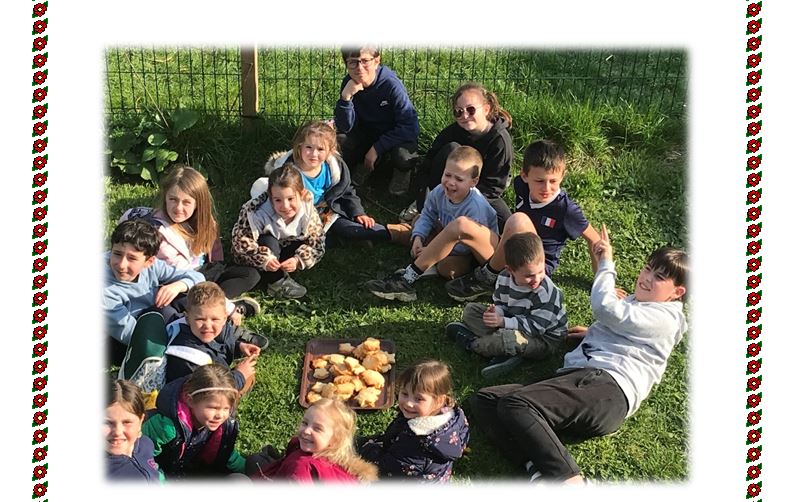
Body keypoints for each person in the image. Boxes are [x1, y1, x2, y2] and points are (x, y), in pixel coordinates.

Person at [468, 228, 688, 483]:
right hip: (582, 378)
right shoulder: (642, 304)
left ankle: (570, 480)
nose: (647, 278)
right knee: (486, 400)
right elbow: (625, 327)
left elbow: (607, 309)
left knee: (517, 404)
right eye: (647, 268)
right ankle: (534, 470)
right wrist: (593, 333)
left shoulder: (666, 317)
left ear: (677, 292)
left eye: (659, 277)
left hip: (608, 387)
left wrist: (606, 263)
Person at [445, 139, 601, 302]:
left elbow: (595, 240)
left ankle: (487, 278)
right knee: (461, 234)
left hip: (535, 268)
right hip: (513, 250)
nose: (546, 188)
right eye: (540, 181)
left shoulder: (566, 209)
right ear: (525, 176)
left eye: (553, 181)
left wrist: (602, 283)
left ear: (562, 176)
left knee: (518, 220)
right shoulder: (521, 186)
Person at [120, 165, 261, 324]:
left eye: (186, 202)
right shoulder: (159, 234)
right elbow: (181, 276)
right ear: (165, 197)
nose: (178, 208)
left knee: (250, 274)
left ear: (198, 204)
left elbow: (214, 253)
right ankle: (216, 307)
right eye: (173, 199)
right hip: (175, 282)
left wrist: (216, 268)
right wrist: (230, 308)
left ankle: (214, 302)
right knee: (172, 306)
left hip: (199, 272)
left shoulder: (205, 222)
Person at [365, 145, 498, 302]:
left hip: (468, 253)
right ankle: (380, 232)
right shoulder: (439, 191)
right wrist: (418, 237)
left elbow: (466, 245)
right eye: (447, 175)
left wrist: (434, 248)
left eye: (459, 179)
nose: (451, 182)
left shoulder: (476, 207)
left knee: (447, 269)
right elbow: (428, 214)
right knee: (418, 221)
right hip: (445, 234)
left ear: (474, 182)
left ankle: (421, 266)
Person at [261, 121, 410, 246]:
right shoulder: (288, 173)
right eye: (308, 147)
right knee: (298, 241)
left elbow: (346, 190)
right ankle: (346, 240)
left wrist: (358, 212)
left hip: (325, 211)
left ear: (330, 151)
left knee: (349, 228)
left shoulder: (334, 168)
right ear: (300, 147)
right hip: (297, 216)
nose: (314, 154)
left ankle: (393, 233)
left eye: (320, 149)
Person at [445, 232, 568, 379]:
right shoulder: (504, 278)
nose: (536, 279)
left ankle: (472, 343)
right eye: (528, 275)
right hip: (514, 320)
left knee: (509, 338)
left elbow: (536, 328)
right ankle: (506, 353)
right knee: (471, 311)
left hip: (543, 339)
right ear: (510, 270)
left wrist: (503, 322)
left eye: (540, 272)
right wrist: (496, 312)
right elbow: (501, 303)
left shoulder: (546, 293)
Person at [403, 82, 514, 231]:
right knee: (451, 148)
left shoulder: (500, 141)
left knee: (506, 222)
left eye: (471, 110)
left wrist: (461, 202)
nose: (465, 116)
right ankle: (429, 206)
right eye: (458, 112)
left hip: (479, 191)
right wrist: (426, 196)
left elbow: (493, 188)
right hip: (444, 185)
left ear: (486, 109)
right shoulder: (452, 132)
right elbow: (428, 165)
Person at [104, 219, 204, 365]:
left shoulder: (153, 266)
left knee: (188, 297)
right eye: (117, 254)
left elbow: (197, 277)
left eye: (132, 258)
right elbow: (132, 335)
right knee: (168, 315)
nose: (121, 264)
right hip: (118, 337)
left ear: (149, 261)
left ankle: (220, 333)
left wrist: (178, 286)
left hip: (150, 316)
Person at [359, 359, 469, 482]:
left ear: (439, 401)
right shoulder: (452, 418)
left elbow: (388, 470)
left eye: (418, 399)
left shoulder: (417, 442)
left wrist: (367, 450)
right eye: (404, 394)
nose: (408, 403)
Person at [333, 46, 420, 196]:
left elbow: (410, 126)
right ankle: (358, 167)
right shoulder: (349, 84)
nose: (359, 68)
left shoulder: (391, 85)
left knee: (403, 156)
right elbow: (345, 127)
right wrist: (345, 99)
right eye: (353, 62)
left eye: (365, 61)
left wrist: (377, 148)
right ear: (346, 64)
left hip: (395, 136)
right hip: (366, 133)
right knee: (340, 142)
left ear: (377, 61)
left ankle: (402, 171)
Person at [231, 164, 325, 299]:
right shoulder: (255, 212)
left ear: (301, 194)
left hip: (288, 251)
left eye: (290, 199)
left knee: (306, 240)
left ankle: (280, 272)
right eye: (278, 200)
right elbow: (240, 242)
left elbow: (318, 243)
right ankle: (276, 282)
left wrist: (298, 260)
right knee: (269, 240)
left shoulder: (308, 212)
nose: (285, 206)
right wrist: (264, 259)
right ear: (270, 198)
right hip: (263, 252)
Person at [142, 364, 246, 478]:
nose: (220, 415)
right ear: (190, 400)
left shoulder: (216, 425)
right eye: (213, 408)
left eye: (226, 408)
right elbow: (142, 456)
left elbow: (223, 451)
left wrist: (247, 468)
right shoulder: (166, 427)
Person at [165, 282, 264, 393]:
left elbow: (221, 342)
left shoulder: (207, 330)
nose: (208, 325)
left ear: (225, 318)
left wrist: (239, 346)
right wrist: (239, 375)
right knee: (247, 377)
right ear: (187, 319)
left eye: (215, 319)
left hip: (213, 377)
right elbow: (209, 391)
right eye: (200, 319)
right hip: (200, 395)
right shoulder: (188, 357)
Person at [251, 398, 378, 483]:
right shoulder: (337, 459)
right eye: (305, 423)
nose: (306, 431)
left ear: (335, 439)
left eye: (317, 429)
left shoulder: (301, 468)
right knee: (255, 459)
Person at [105, 379, 162, 482]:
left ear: (140, 422)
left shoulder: (145, 444)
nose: (117, 432)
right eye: (107, 423)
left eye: (127, 422)